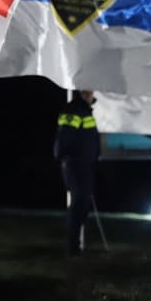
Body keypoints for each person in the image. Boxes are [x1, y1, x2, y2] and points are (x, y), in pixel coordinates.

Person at [53, 90, 100, 255]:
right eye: (90, 91)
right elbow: (65, 137)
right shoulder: (74, 110)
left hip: (85, 165)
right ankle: (73, 246)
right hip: (75, 165)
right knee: (78, 203)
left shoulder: (85, 110)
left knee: (83, 203)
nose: (93, 95)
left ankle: (75, 245)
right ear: (84, 93)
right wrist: (67, 158)